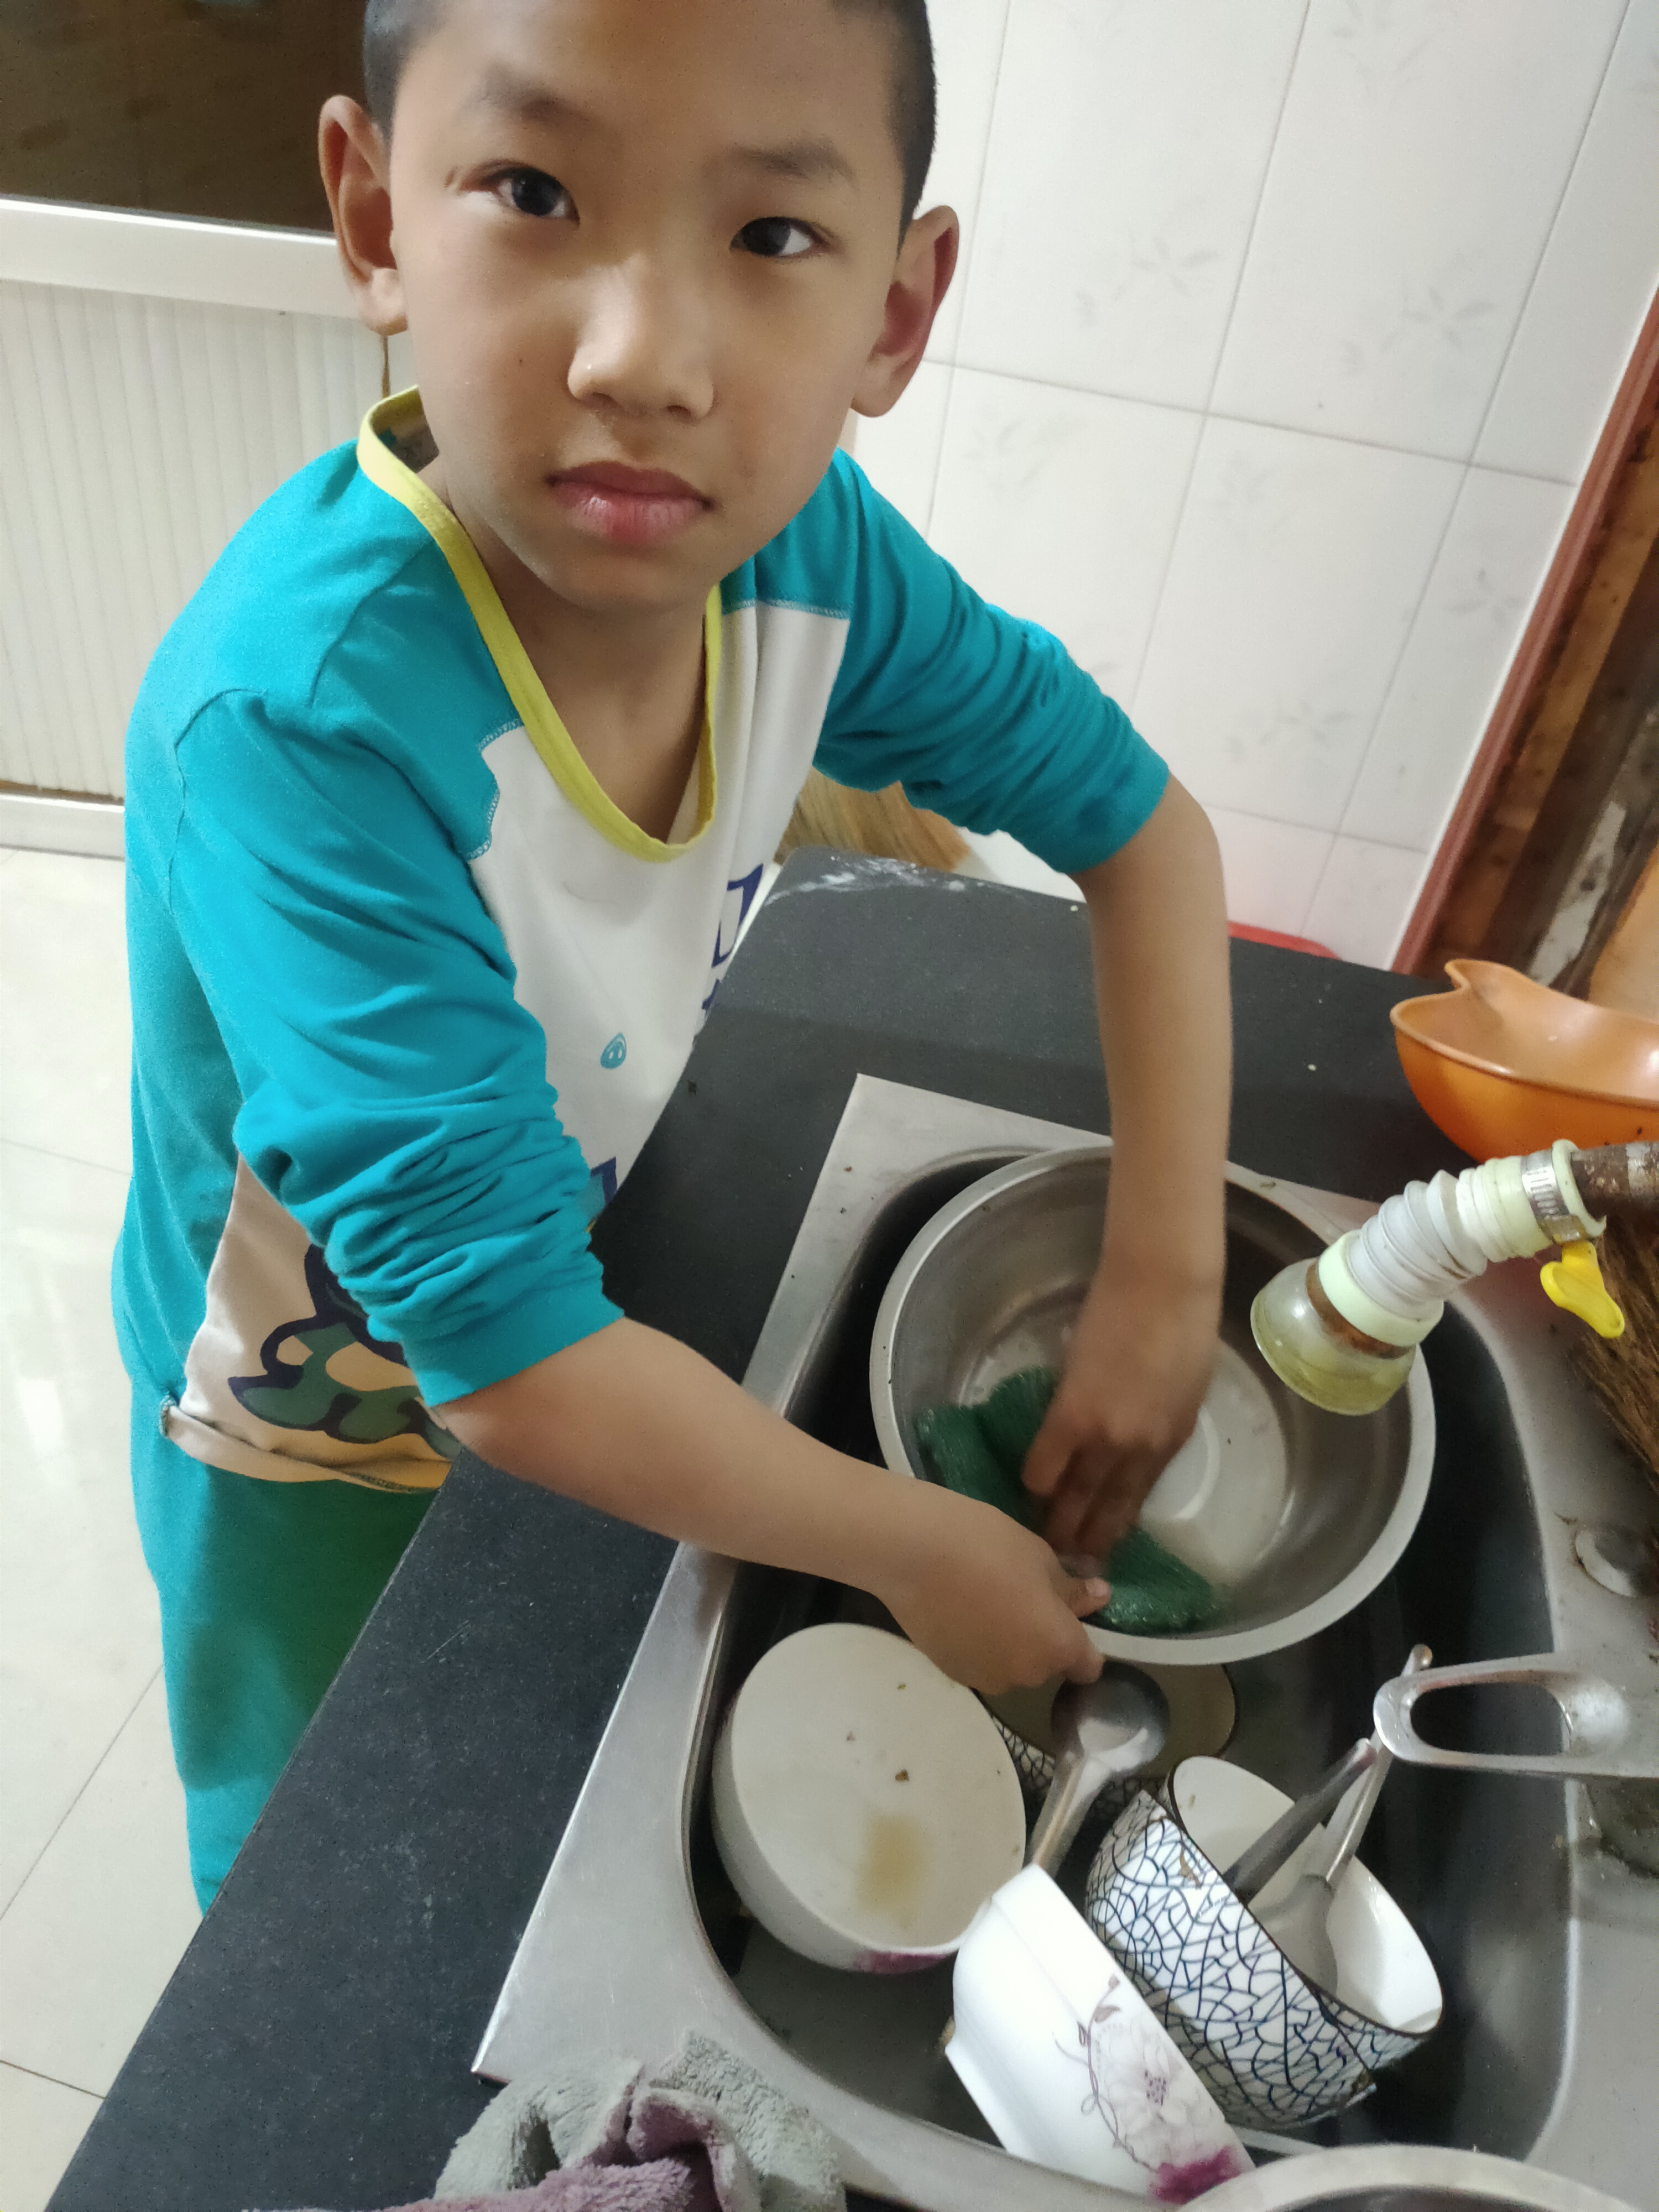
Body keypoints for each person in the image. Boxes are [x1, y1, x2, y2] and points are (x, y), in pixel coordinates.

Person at [116, 0, 1232, 1910]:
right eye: (533, 192)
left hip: (545, 1271)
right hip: (306, 1423)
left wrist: (1163, 1273)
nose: (642, 359)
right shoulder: (301, 722)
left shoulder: (807, 562)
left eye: (771, 234)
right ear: (376, 219)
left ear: (895, 312)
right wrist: (916, 1546)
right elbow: (510, 1367)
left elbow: (1144, 831)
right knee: (321, 1851)